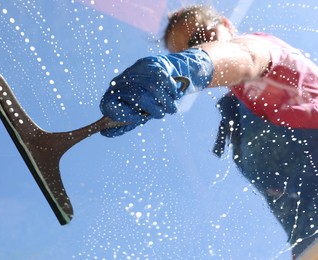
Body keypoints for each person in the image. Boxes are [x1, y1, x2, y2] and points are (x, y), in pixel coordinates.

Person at [98, 5, 318, 258]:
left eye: (201, 39)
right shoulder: (237, 115)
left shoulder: (264, 49)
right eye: (188, 51)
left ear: (226, 24)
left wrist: (187, 66)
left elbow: (246, 55)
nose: (200, 49)